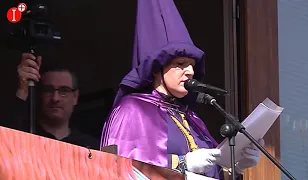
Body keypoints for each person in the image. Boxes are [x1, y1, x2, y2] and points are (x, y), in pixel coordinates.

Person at [100, 0, 264, 179]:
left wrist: (235, 167)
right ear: (156, 69)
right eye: (180, 64)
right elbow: (119, 167)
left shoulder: (191, 118)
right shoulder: (131, 110)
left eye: (192, 66)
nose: (190, 72)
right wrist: (182, 163)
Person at [9, 52, 100, 150]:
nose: (55, 98)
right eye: (48, 90)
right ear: (40, 94)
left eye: (64, 91)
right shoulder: (22, 136)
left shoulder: (90, 147)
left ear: (75, 96)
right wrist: (23, 90)